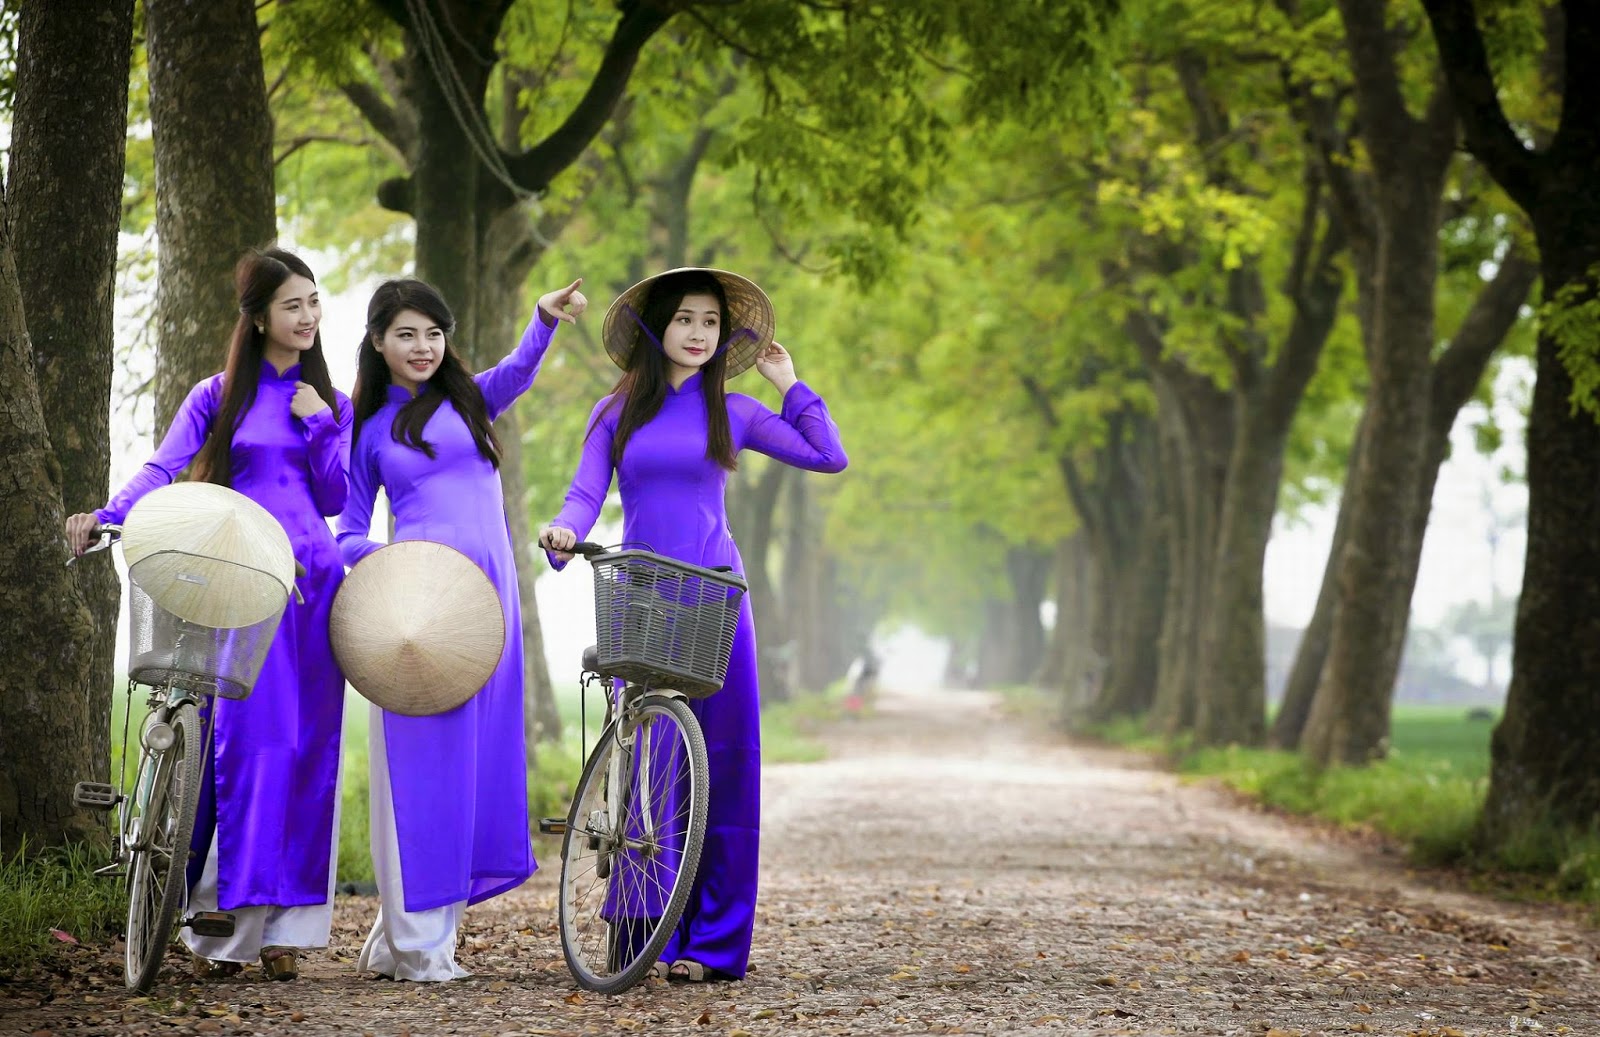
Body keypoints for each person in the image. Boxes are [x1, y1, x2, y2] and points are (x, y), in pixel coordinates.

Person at [539, 267, 847, 983]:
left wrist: (790, 383)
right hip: (644, 599)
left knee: (727, 769)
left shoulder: (733, 411)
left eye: (711, 321)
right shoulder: (614, 412)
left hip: (716, 599)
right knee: (651, 773)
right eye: (685, 319)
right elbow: (586, 491)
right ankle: (646, 934)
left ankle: (711, 946)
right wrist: (562, 531)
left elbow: (829, 454)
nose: (699, 333)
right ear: (656, 327)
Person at [65, 247, 351, 981]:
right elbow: (166, 466)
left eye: (314, 302)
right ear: (257, 318)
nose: (308, 316)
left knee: (306, 747)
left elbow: (334, 497)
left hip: (311, 584)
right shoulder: (216, 394)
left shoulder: (329, 403)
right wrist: (110, 512)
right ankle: (224, 923)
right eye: (292, 305)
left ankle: (287, 928)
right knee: (246, 741)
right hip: (241, 576)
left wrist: (321, 425)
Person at [335, 275, 586, 981]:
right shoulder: (369, 425)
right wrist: (393, 562)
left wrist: (542, 320)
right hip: (420, 611)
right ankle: (417, 944)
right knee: (421, 768)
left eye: (434, 333)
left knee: (473, 768)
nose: (423, 346)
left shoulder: (468, 398)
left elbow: (517, 371)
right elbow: (349, 529)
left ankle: (403, 938)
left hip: (490, 605)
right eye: (406, 333)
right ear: (378, 340)